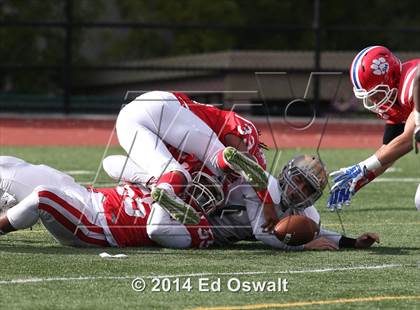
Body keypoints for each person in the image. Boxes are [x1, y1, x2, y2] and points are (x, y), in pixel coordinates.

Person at [0, 155, 379, 251]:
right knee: (15, 167)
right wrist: (159, 177)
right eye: (294, 179)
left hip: (182, 227)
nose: (295, 190)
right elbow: (110, 163)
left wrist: (341, 242)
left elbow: (271, 233)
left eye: (303, 188)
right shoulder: (254, 184)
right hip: (106, 198)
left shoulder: (299, 213)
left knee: (40, 194)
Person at [115, 91, 270, 223]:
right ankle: (227, 159)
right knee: (214, 157)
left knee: (170, 171)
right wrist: (269, 208)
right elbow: (232, 129)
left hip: (125, 122)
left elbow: (111, 163)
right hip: (164, 106)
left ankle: (165, 190)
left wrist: (150, 182)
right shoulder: (237, 128)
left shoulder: (191, 164)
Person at [328, 46, 420, 210]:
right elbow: (389, 151)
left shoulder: (411, 84)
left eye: (377, 93)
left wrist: (361, 167)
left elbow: (408, 140)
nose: (373, 99)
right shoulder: (393, 100)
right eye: (369, 95)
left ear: (391, 76)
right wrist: (356, 182)